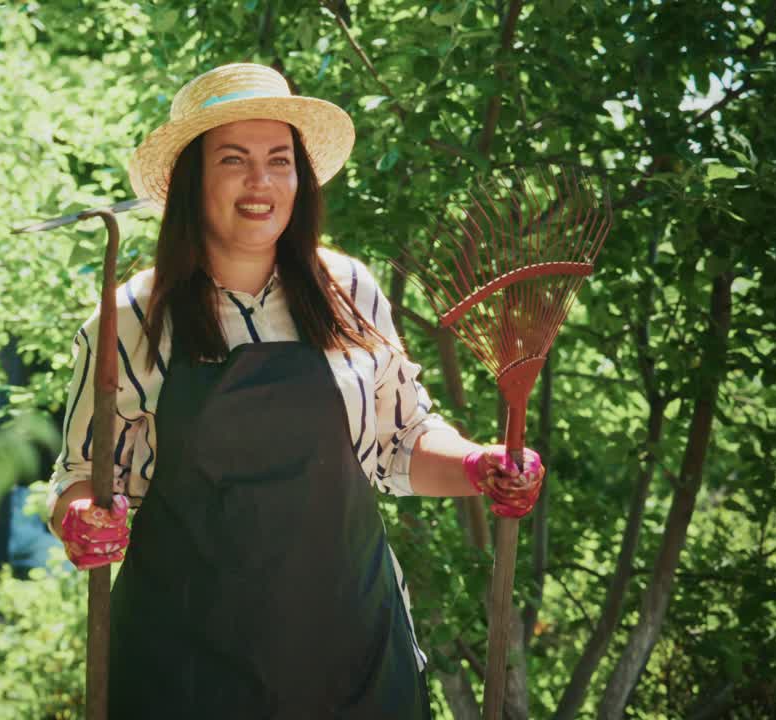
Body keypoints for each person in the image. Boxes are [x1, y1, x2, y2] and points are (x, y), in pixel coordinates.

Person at [46, 63, 544, 719]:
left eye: (279, 160)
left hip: (353, 660)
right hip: (184, 672)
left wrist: (482, 467)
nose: (261, 181)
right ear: (192, 180)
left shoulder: (350, 292)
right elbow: (82, 473)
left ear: (300, 179)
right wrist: (82, 517)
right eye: (235, 159)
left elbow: (404, 443)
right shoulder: (132, 318)